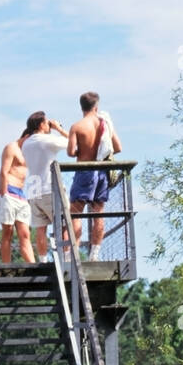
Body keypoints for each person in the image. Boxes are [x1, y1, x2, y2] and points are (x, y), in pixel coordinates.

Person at [66, 91, 121, 261]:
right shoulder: (105, 124)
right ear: (96, 107)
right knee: (98, 213)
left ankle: (71, 255)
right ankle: (94, 254)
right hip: (102, 171)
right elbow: (117, 148)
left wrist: (82, 150)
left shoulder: (77, 126)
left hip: (84, 172)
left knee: (75, 213)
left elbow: (70, 152)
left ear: (81, 107)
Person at [19, 111, 70, 261]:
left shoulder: (26, 144)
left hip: (33, 191)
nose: (49, 125)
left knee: (40, 228)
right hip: (50, 189)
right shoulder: (47, 140)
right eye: (47, 123)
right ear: (41, 124)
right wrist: (59, 129)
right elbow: (72, 144)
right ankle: (66, 259)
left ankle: (42, 260)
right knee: (64, 224)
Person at [0, 129, 34, 264]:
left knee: (25, 234)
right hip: (8, 190)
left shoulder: (29, 152)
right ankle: (7, 267)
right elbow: (4, 172)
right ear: (26, 136)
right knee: (8, 232)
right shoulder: (12, 147)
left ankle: (33, 266)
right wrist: (4, 193)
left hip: (21, 193)